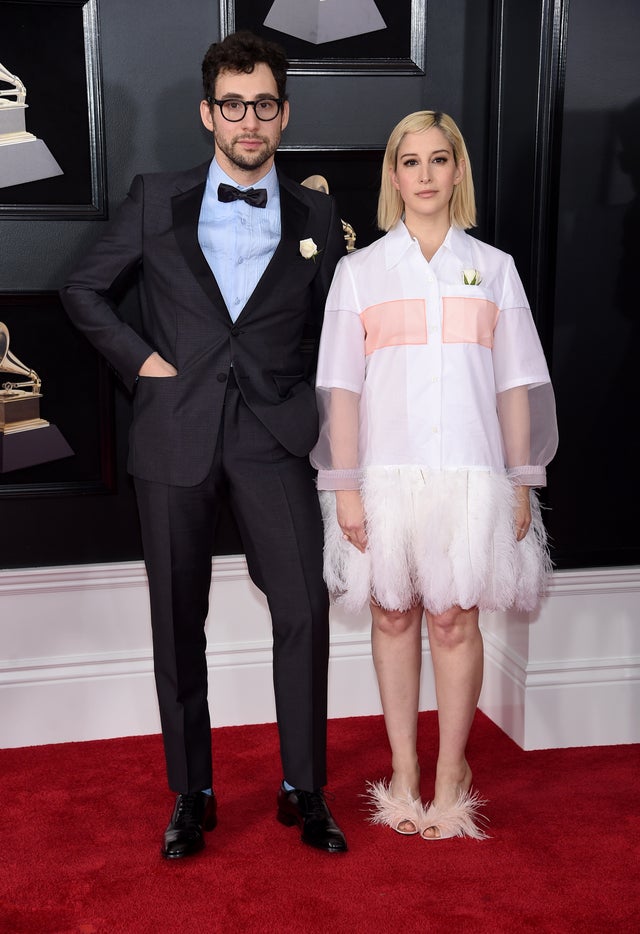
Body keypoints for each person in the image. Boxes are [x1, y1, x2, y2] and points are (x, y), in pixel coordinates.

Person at [61, 31, 348, 858]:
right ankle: (193, 794)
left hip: (273, 438)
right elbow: (82, 288)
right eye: (233, 104)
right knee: (177, 620)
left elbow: (334, 323)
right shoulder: (157, 198)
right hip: (174, 434)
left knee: (303, 611)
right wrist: (143, 364)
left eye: (264, 104)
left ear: (283, 114)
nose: (248, 120)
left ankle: (305, 789)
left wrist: (308, 399)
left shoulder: (318, 213)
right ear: (207, 113)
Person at [311, 110, 558, 840]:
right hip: (382, 478)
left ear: (457, 172)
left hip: (472, 477)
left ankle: (452, 770)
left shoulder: (496, 270)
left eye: (438, 160)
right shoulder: (359, 274)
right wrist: (346, 488)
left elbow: (517, 384)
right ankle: (404, 770)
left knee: (455, 618)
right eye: (409, 162)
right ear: (394, 176)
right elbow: (339, 391)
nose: (424, 175)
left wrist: (521, 479)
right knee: (393, 613)